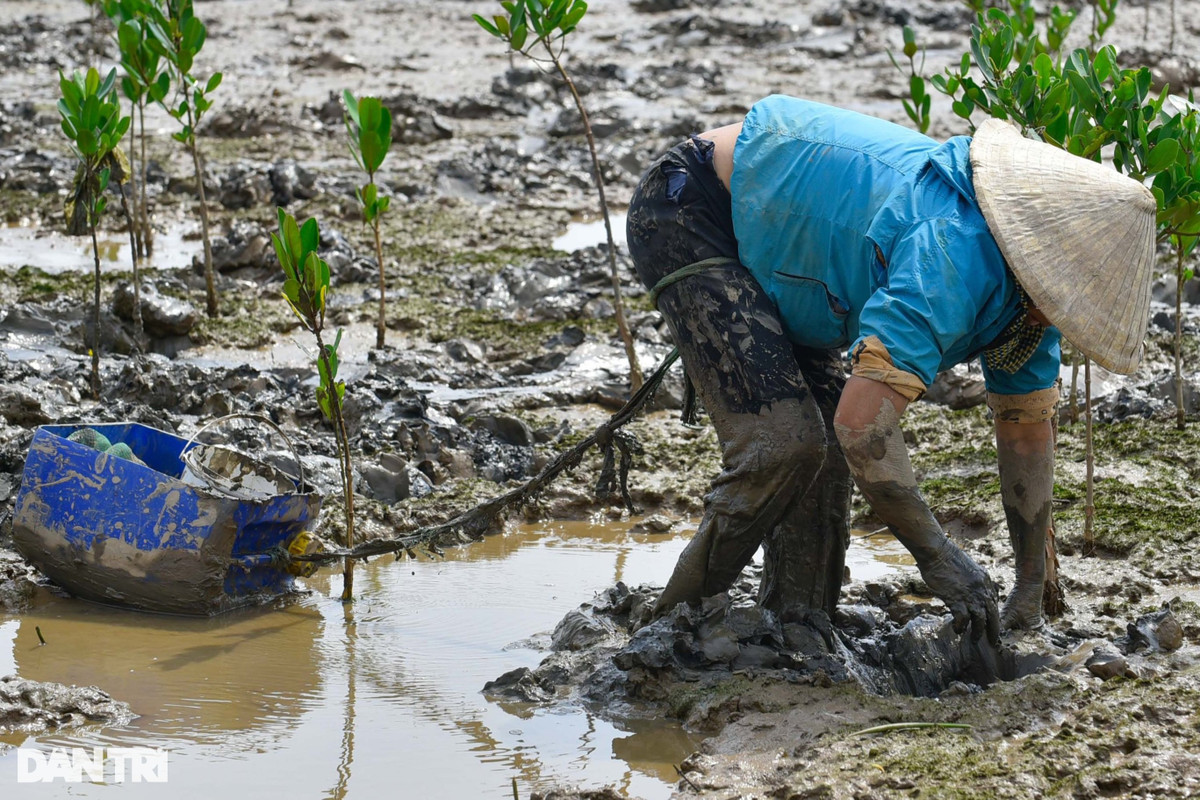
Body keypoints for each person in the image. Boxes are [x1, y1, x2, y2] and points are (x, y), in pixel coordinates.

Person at [626, 96, 1156, 642]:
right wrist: (938, 556)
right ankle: (669, 632)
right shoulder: (952, 256)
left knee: (823, 454)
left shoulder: (1030, 302)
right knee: (781, 445)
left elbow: (1025, 437)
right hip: (692, 207)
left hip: (794, 263)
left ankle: (796, 623)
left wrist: (1029, 586)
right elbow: (864, 425)